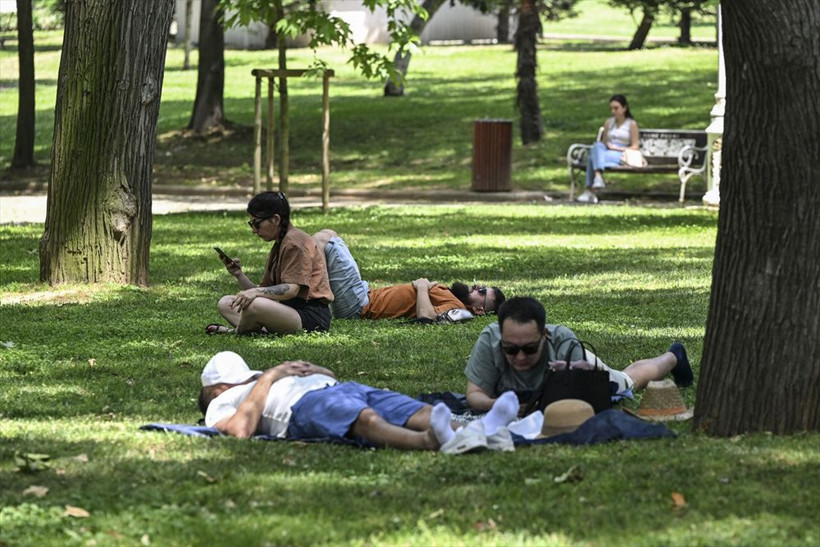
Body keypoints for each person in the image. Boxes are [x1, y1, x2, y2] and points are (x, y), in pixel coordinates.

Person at [198, 351, 521, 454]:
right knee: (366, 420)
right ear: (218, 388)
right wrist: (268, 377)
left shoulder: (258, 378)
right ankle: (429, 441)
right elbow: (239, 430)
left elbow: (329, 376)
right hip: (305, 405)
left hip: (339, 387)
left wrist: (317, 369)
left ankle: (484, 430)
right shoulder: (221, 402)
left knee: (419, 410)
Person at [463, 297, 694, 413]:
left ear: (545, 335)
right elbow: (474, 394)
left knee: (628, 381)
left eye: (530, 348)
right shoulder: (489, 340)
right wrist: (499, 406)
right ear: (501, 337)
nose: (520, 357)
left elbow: (583, 405)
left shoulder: (565, 344)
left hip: (582, 367)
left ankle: (673, 357)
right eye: (511, 349)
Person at [208, 192, 333, 335]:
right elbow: (264, 290)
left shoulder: (296, 243)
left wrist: (255, 292)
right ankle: (260, 331)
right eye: (251, 224)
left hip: (311, 318)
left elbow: (292, 289)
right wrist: (239, 274)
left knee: (254, 304)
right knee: (226, 303)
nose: (254, 230)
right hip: (288, 311)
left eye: (256, 224)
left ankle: (237, 332)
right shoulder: (280, 244)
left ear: (275, 219)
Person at [312, 229, 506, 320]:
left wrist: (422, 286)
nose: (476, 286)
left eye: (481, 291)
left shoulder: (456, 307)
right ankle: (301, 288)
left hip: (358, 306)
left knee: (323, 240)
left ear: (480, 309)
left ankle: (313, 300)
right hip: (363, 294)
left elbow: (426, 317)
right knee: (329, 234)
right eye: (481, 285)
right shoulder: (451, 296)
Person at [577, 94, 640, 204]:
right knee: (596, 146)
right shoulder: (608, 122)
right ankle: (597, 177)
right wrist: (607, 146)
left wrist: (617, 148)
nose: (613, 111)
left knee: (592, 157)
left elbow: (635, 146)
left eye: (616, 108)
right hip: (606, 152)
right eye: (611, 108)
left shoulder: (631, 124)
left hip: (621, 154)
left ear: (624, 108)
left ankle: (589, 190)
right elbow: (604, 142)